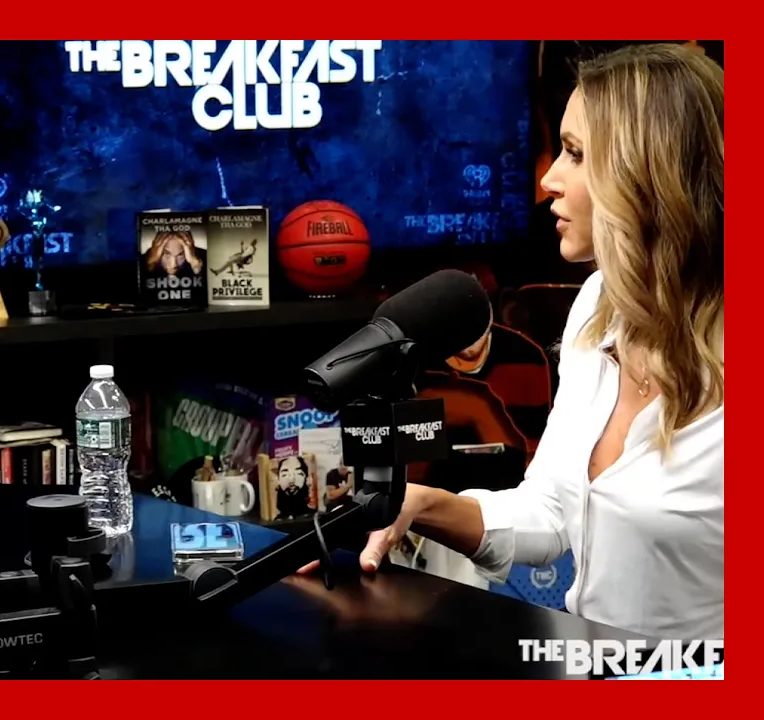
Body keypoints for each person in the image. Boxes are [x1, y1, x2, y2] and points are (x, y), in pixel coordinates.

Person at [307, 44, 725, 642]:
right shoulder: (599, 307)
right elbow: (552, 512)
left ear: (648, 174)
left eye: (575, 154)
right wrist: (423, 504)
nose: (548, 180)